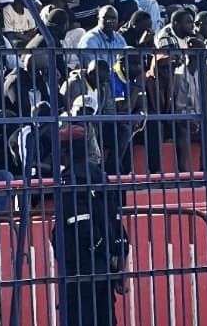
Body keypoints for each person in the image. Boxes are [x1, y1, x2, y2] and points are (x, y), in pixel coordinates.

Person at [52, 124, 130, 326]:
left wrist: (96, 246)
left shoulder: (70, 180)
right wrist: (115, 253)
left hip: (81, 266)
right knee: (105, 317)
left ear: (64, 151)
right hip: (104, 266)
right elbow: (115, 218)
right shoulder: (100, 176)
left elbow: (80, 224)